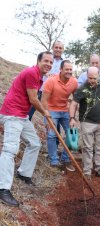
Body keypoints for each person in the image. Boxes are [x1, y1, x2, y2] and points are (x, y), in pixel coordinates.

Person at [0, 51, 53, 207]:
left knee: (35, 143)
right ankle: (3, 188)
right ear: (38, 61)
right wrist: (45, 112)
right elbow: (33, 99)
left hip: (22, 115)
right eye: (46, 61)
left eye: (51, 62)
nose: (49, 64)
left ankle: (23, 174)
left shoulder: (39, 77)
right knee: (10, 150)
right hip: (12, 114)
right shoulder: (31, 73)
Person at [69, 66, 100, 179]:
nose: (92, 80)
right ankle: (87, 172)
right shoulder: (82, 88)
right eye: (90, 78)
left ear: (99, 76)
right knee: (87, 148)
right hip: (87, 122)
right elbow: (73, 104)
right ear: (86, 76)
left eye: (94, 78)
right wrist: (72, 118)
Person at [41, 60, 78, 171]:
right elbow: (43, 100)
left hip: (65, 110)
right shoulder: (51, 81)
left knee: (73, 133)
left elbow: (75, 100)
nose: (69, 71)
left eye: (71, 69)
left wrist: (73, 117)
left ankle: (66, 159)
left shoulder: (74, 82)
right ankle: (54, 159)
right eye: (66, 69)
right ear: (61, 70)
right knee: (52, 135)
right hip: (51, 110)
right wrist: (47, 116)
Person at [29, 41, 64, 120]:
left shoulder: (64, 63)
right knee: (28, 113)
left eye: (60, 48)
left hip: (53, 95)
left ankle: (53, 132)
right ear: (52, 48)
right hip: (39, 90)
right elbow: (36, 69)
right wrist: (45, 74)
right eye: (56, 47)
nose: (58, 49)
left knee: (53, 118)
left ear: (63, 50)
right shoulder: (46, 58)